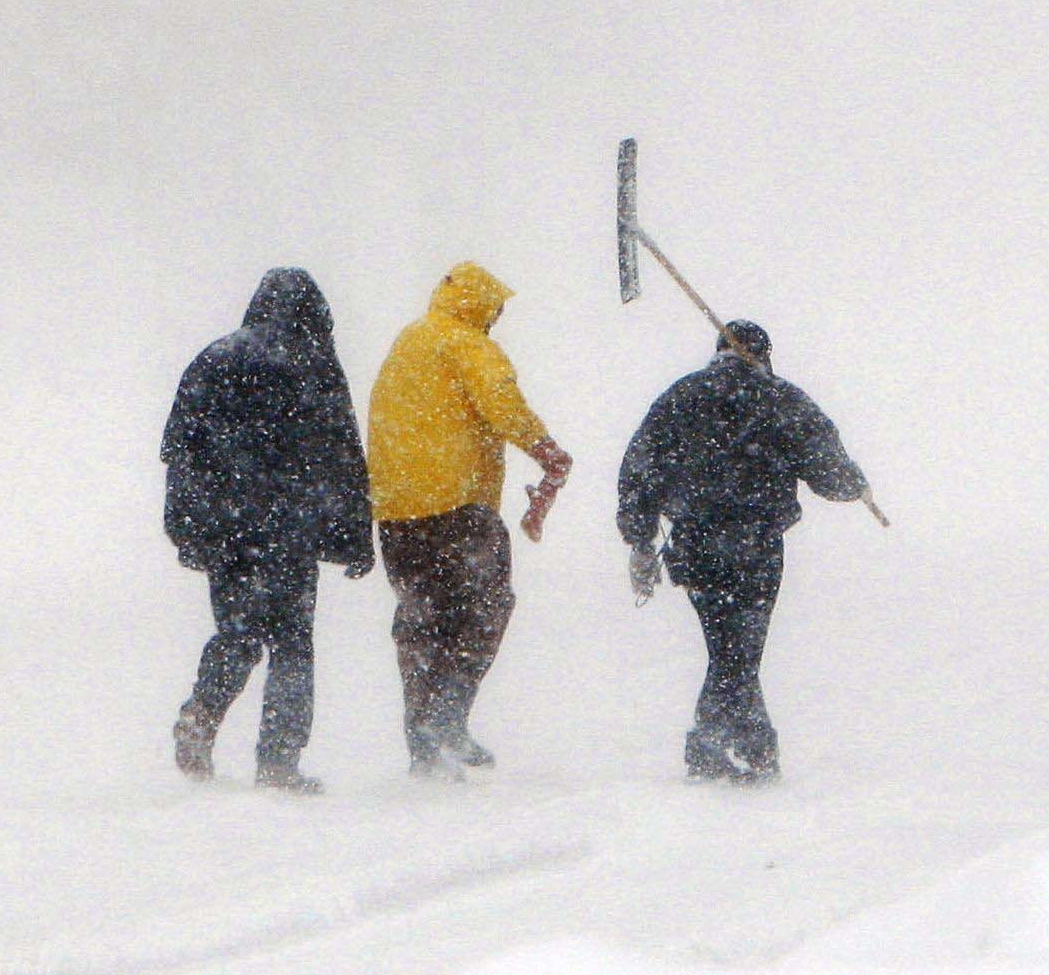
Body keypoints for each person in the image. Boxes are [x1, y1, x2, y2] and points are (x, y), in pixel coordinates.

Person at [616, 320, 868, 782]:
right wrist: (856, 484)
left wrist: (640, 537)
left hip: (695, 542)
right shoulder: (781, 399)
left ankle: (734, 744)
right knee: (740, 650)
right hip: (756, 543)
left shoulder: (681, 397)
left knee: (727, 647)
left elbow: (640, 466)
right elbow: (827, 469)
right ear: (764, 355)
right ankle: (732, 747)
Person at [163, 267, 376, 791]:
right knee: (291, 645)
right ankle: (279, 762)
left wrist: (188, 530)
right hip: (287, 530)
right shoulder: (313, 365)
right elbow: (340, 457)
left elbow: (179, 453)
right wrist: (352, 538)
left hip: (226, 530)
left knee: (236, 632)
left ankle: (202, 714)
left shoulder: (213, 358)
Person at [364, 262, 572, 778]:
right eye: (496, 309)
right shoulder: (468, 345)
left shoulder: (408, 343)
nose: (497, 319)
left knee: (419, 621)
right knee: (483, 610)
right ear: (480, 305)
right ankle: (449, 719)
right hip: (458, 507)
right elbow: (502, 403)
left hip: (396, 511)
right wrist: (546, 450)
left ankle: (424, 742)